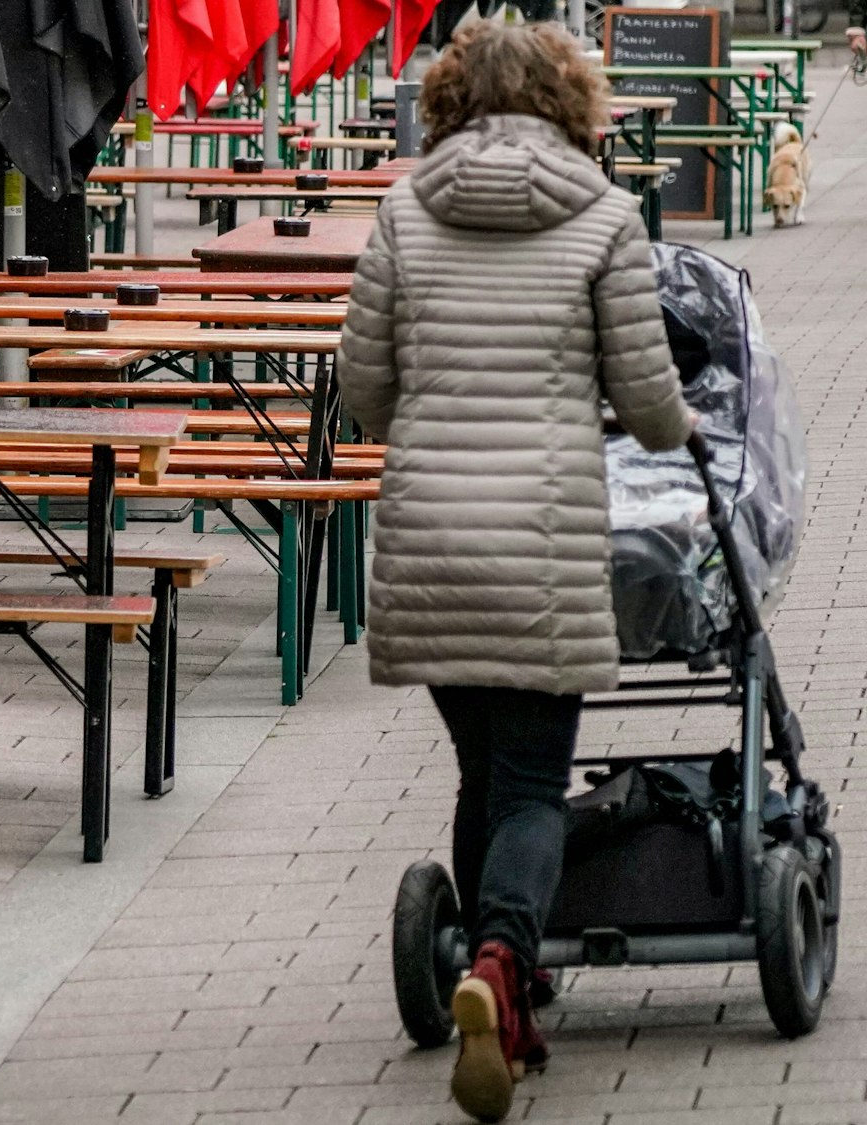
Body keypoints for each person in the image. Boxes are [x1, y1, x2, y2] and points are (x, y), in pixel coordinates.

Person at [335, 21, 692, 1124]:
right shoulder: (599, 216)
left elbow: (362, 393)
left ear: (445, 98)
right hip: (539, 534)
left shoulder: (401, 207)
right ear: (567, 98)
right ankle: (496, 961)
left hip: (431, 533)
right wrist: (680, 430)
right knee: (535, 784)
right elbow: (644, 403)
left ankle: (492, 985)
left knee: (481, 771)